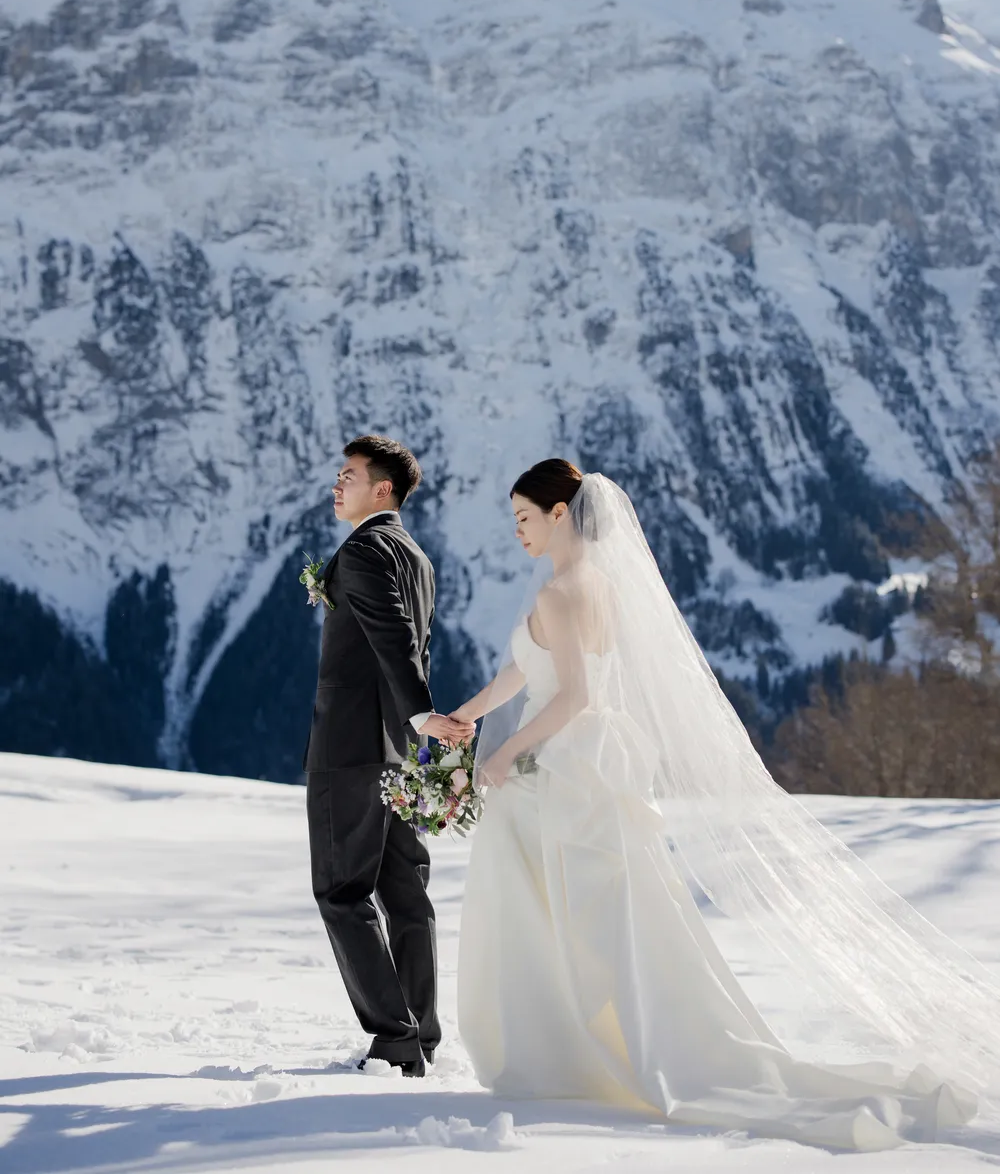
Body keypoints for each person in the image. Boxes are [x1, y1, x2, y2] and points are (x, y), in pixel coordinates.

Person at [451, 460, 1000, 1150]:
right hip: (582, 763)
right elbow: (532, 668)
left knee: (572, 918)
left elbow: (573, 696)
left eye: (525, 518)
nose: (518, 533)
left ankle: (568, 1052)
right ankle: (583, 1046)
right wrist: (469, 716)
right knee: (592, 917)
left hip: (562, 765)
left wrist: (503, 756)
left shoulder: (563, 592)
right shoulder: (592, 585)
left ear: (561, 513)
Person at [303, 434, 474, 1077]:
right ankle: (420, 1035)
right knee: (405, 892)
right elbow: (409, 640)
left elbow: (394, 641)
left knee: (342, 891)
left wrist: (420, 710)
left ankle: (395, 1039)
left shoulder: (366, 550)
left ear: (384, 489)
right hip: (398, 754)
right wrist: (415, 729)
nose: (336, 484)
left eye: (348, 474)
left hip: (351, 746)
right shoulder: (415, 555)